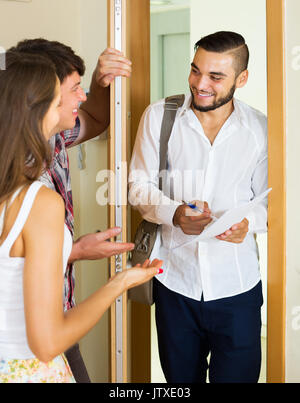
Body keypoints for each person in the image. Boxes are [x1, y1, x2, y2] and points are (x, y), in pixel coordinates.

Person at [0, 51, 163, 384]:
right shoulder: (39, 202)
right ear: (39, 105)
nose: (79, 98)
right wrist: (122, 282)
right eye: (66, 93)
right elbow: (46, 344)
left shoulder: (22, 173)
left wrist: (68, 249)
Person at [129, 31, 268, 383]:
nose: (200, 84)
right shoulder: (160, 116)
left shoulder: (261, 129)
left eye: (215, 77)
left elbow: (268, 200)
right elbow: (136, 186)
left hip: (237, 288)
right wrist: (174, 213)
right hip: (174, 284)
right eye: (195, 71)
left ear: (242, 79)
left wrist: (247, 223)